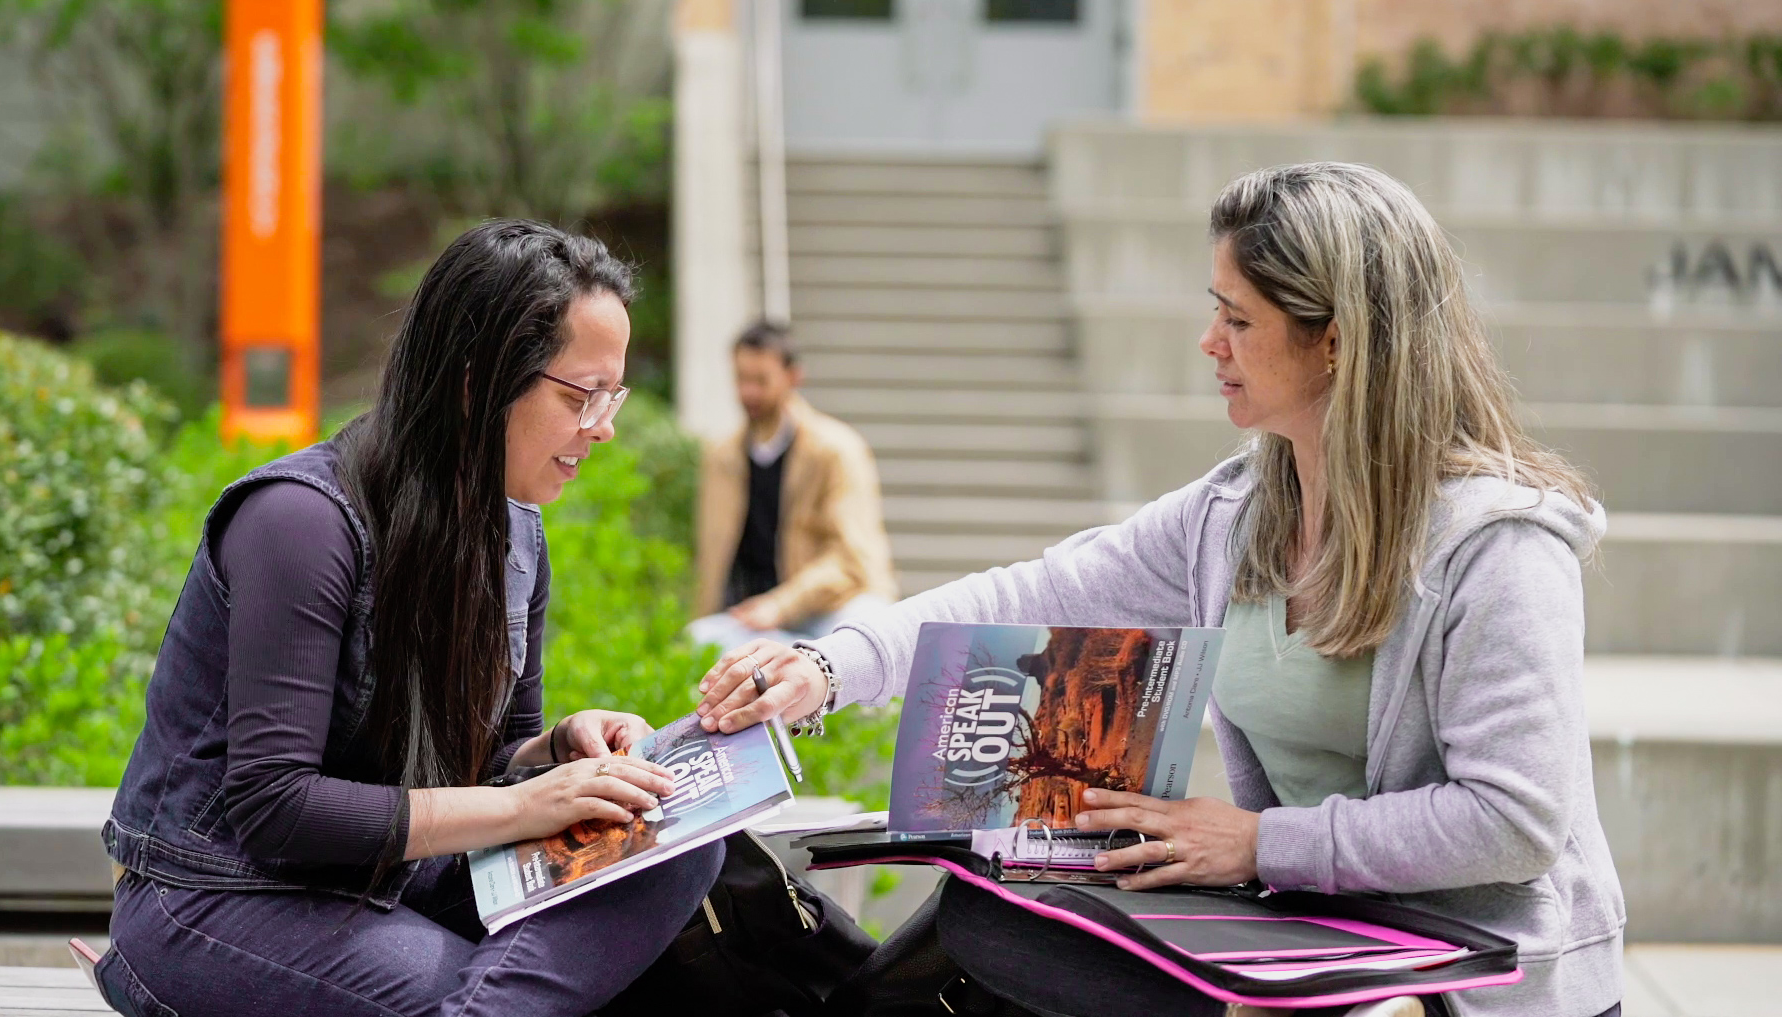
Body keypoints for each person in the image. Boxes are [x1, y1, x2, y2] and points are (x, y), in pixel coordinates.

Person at [693, 164, 1626, 1017]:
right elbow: (1036, 591)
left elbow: (1515, 821)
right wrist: (827, 663)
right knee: (988, 928)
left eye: (1240, 318)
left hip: (1469, 975)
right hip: (1303, 936)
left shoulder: (1498, 547)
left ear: (1336, 342)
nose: (1209, 341)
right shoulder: (1234, 512)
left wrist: (1262, 843)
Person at [97, 221, 722, 1017]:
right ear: (476, 382)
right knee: (498, 991)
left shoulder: (517, 535)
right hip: (218, 897)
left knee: (676, 844)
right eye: (581, 395)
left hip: (391, 882)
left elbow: (490, 765)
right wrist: (529, 804)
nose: (604, 426)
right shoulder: (298, 523)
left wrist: (557, 751)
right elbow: (274, 808)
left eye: (614, 395)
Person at [686, 319, 897, 650]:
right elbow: (712, 560)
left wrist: (782, 605)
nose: (748, 392)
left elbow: (851, 558)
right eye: (741, 379)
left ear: (793, 377)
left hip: (827, 612)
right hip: (754, 620)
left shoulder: (837, 450)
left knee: (868, 625)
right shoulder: (722, 458)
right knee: (699, 640)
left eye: (761, 380)